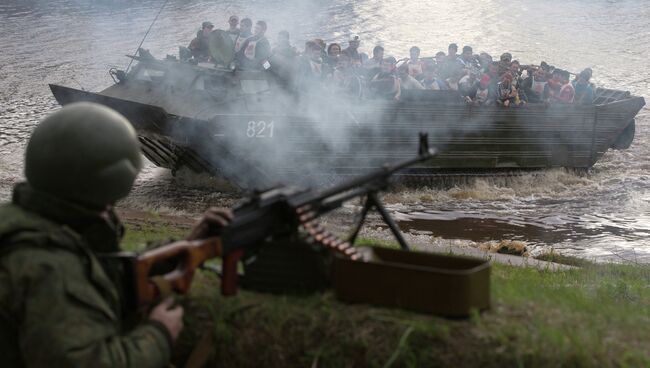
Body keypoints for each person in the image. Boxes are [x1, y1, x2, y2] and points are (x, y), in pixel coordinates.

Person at [0, 102, 232, 367]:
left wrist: (187, 245)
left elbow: (97, 268)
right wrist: (159, 333)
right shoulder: (50, 268)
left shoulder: (24, 222)